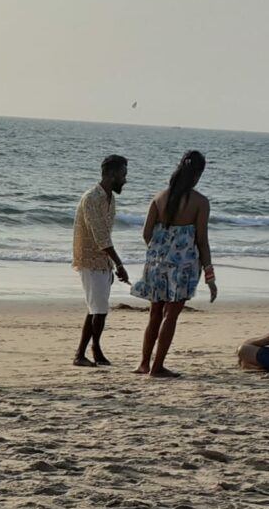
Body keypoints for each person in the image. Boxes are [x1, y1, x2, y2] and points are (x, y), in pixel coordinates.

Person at [130, 150, 215, 378]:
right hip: (184, 265)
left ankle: (144, 363)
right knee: (171, 315)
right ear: (198, 174)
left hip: (157, 263)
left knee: (154, 314)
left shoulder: (159, 198)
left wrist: (161, 251)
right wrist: (210, 275)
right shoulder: (200, 202)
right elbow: (202, 241)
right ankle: (157, 367)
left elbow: (146, 233)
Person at [71, 155, 130, 367]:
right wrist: (120, 264)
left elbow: (106, 235)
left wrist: (111, 264)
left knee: (95, 308)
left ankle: (92, 351)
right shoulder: (92, 198)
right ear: (112, 174)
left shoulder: (109, 198)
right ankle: (83, 353)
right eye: (123, 174)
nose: (125, 179)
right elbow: (100, 236)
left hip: (103, 262)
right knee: (99, 310)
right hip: (89, 259)